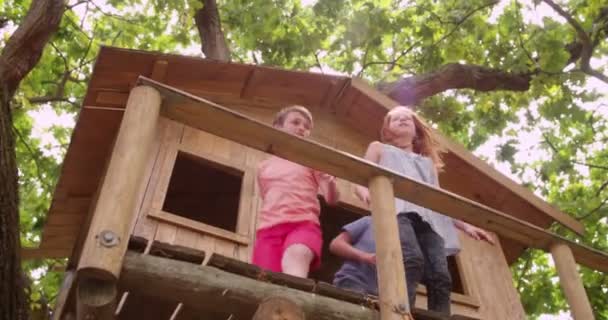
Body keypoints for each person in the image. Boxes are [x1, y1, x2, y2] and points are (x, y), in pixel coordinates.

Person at [330, 106, 494, 315]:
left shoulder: (428, 165)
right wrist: (365, 192)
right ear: (387, 130)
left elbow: (439, 200)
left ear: (416, 130)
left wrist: (466, 226)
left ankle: (439, 317)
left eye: (407, 118)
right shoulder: (379, 148)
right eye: (395, 119)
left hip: (428, 221)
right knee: (412, 259)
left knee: (440, 275)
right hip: (398, 212)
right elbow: (361, 175)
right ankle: (400, 312)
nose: (402, 120)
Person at [252, 105, 340, 278]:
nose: (302, 128)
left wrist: (330, 184)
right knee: (265, 278)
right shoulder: (263, 167)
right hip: (269, 230)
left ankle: (293, 300)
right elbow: (267, 197)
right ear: (278, 127)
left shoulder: (312, 159)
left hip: (303, 224)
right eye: (296, 122)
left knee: (296, 256)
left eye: (307, 127)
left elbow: (331, 199)